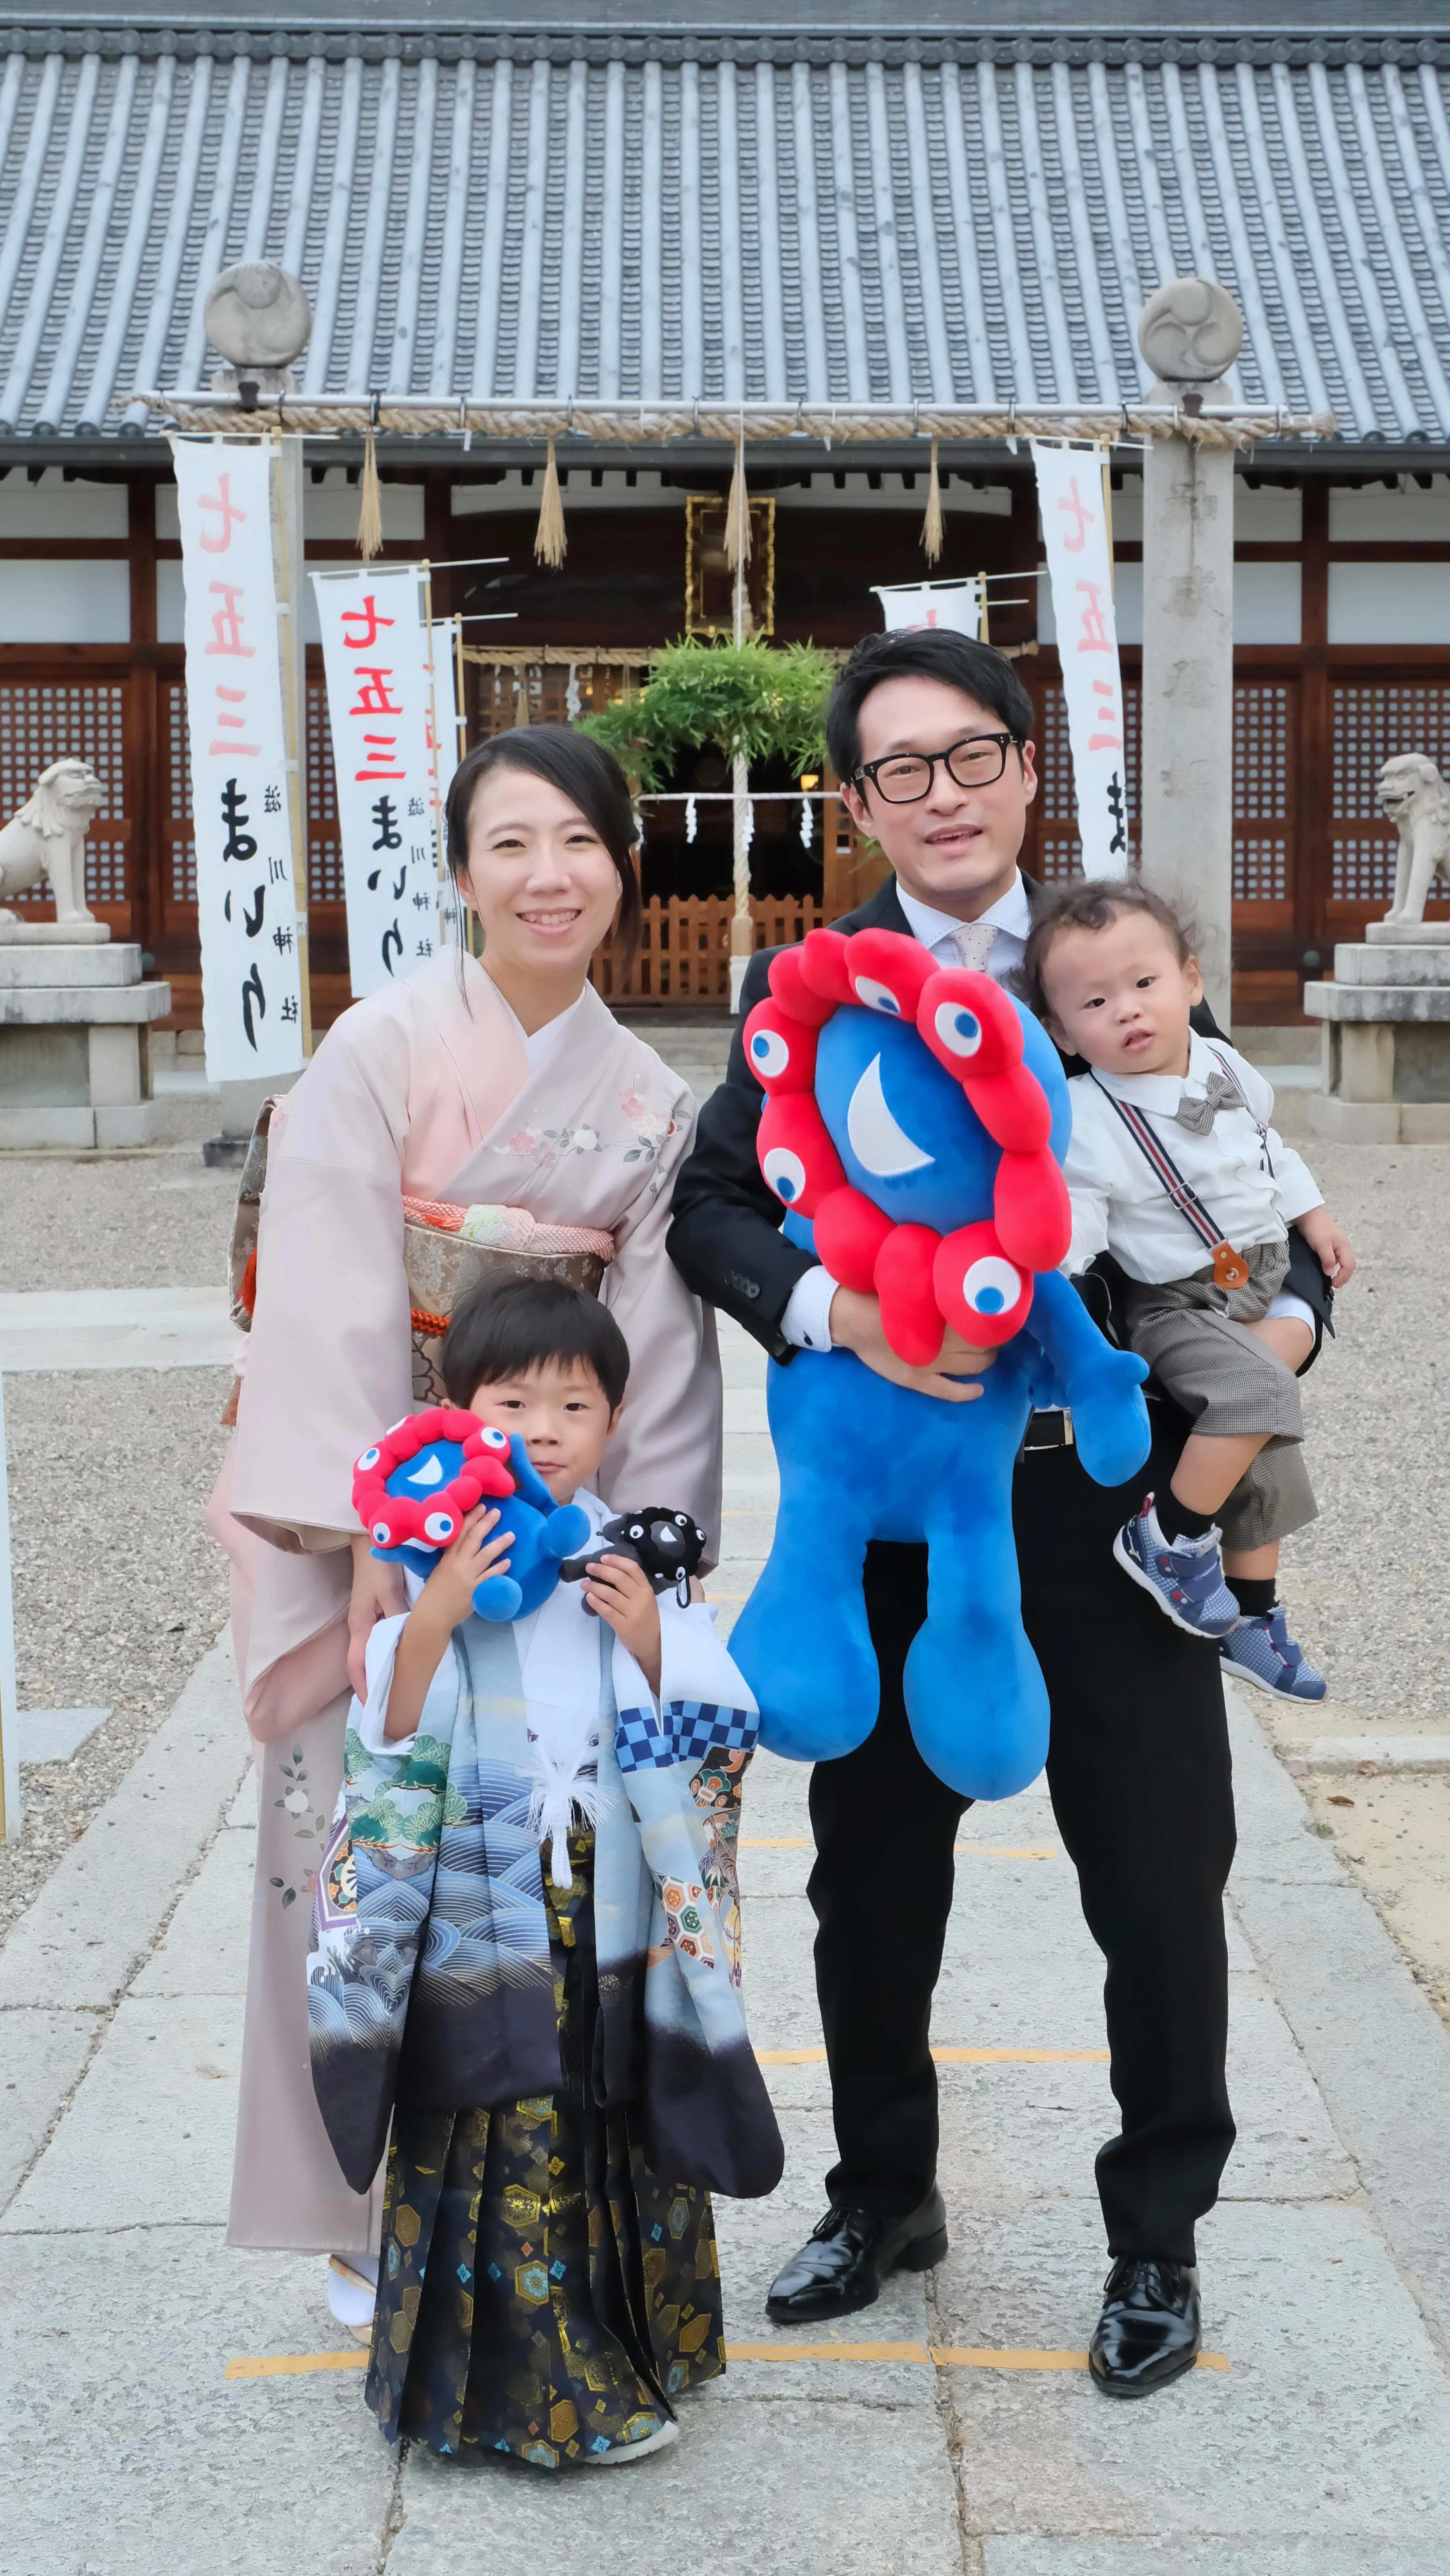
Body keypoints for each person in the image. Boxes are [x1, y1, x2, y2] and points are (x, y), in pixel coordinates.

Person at [668, 626, 1238, 2397]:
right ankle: (881, 2191)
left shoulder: (1103, 968)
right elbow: (709, 1209)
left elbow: (1232, 1194)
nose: (941, 793)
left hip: (1100, 1501)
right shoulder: (806, 990)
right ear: (857, 800)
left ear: (1025, 767)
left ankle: (1157, 2234)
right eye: (899, 767)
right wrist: (838, 1313)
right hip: (905, 1520)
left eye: (971, 753)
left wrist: (1290, 1314)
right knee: (872, 1875)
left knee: (1157, 1871)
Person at [209, 726, 721, 2337]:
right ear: (458, 871)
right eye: (509, 842)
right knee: (368, 1856)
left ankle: (542, 2192)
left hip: (554, 1529)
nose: (546, 874)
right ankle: (357, 2207)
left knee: (544, 1865)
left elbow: (655, 1346)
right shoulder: (377, 1045)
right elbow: (332, 1295)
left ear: (624, 863)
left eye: (578, 840)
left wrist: (635, 1546)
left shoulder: (651, 1100)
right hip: (388, 1520)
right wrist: (385, 1523)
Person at [324, 1276, 777, 2467]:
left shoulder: (636, 1553)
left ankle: (640, 2339)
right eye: (512, 1402)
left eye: (574, 1405)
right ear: (459, 1413)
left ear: (615, 1419)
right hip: (485, 1895)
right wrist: (435, 1616)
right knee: (503, 2118)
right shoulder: (437, 1553)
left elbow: (718, 1728)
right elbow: (387, 1735)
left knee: (607, 2106)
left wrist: (652, 1636)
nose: (544, 1430)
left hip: (606, 1883)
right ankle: (560, 2397)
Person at [1020, 874, 1354, 1702]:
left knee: (1268, 1448)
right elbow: (1076, 1220)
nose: (1128, 1010)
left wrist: (1313, 1218)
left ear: (1191, 981)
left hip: (1259, 1271)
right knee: (1258, 1394)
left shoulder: (1226, 1063)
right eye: (1095, 1002)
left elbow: (1271, 1152)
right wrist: (1052, 1281)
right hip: (1173, 1301)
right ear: (1060, 1031)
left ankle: (1252, 1616)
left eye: (1144, 983)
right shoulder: (1086, 1114)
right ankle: (1166, 1537)